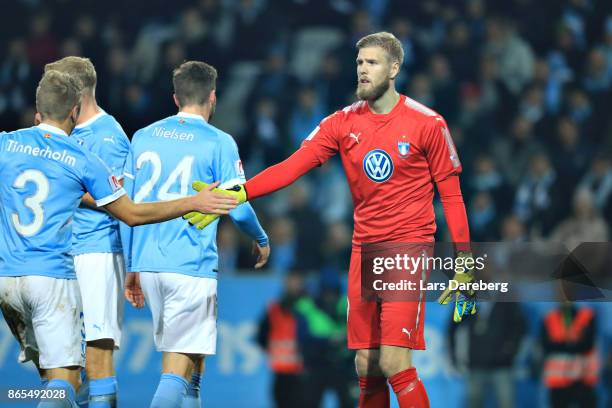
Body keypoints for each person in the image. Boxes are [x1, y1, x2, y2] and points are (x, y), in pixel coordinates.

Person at [187, 32, 474, 407]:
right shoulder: (341, 123)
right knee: (366, 364)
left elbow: (451, 196)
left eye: (372, 63)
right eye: (359, 63)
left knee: (393, 361)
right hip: (363, 252)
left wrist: (465, 264)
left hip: (407, 249)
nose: (363, 70)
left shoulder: (427, 123)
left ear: (394, 68)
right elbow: (292, 167)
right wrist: (239, 192)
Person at [0, 71, 236, 408]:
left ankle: (12, 397)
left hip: (7, 279)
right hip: (51, 276)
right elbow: (133, 213)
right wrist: (193, 202)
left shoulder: (6, 142)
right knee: (65, 383)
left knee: (53, 383)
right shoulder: (79, 158)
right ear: (72, 113)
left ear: (36, 113)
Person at [122, 61, 270, 408]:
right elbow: (238, 204)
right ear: (213, 97)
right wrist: (261, 239)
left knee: (192, 364)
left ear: (176, 98)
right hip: (189, 265)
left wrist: (132, 264)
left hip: (149, 266)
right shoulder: (218, 142)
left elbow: (123, 206)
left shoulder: (142, 137)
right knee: (176, 369)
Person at [43, 56, 130, 407]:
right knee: (63, 363)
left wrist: (65, 189)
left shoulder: (109, 136)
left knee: (97, 355)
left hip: (97, 251)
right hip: (65, 254)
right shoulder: (67, 132)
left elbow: (119, 198)